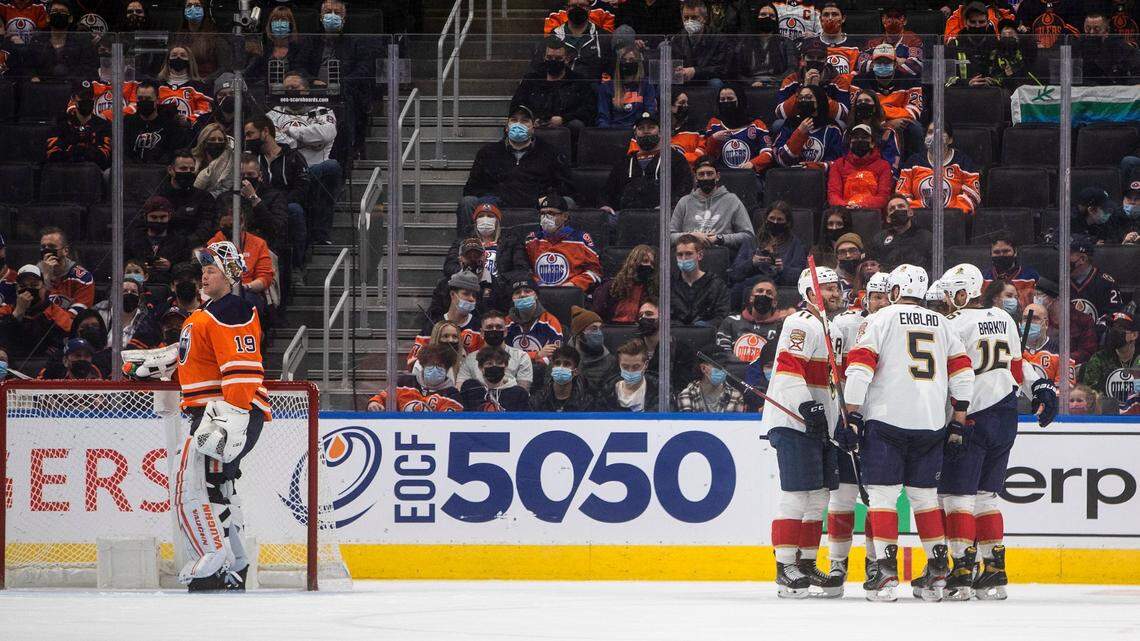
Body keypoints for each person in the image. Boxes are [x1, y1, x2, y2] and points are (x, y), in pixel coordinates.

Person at [843, 264, 975, 602]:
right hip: (931, 422)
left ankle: (886, 572)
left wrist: (853, 414)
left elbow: (859, 367)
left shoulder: (880, 319)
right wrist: (958, 419)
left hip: (887, 420)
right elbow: (963, 375)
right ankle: (938, 570)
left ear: (895, 291)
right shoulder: (944, 324)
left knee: (884, 496)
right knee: (925, 498)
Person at [937, 263, 1056, 600]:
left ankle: (961, 571)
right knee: (986, 497)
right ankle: (993, 570)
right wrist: (1042, 388)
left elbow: (947, 375)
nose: (946, 299)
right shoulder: (1004, 319)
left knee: (956, 496)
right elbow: (1018, 369)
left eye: (950, 292)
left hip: (970, 414)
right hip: (1005, 415)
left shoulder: (953, 324)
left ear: (964, 292)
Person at [167, 240, 269, 590]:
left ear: (228, 275)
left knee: (194, 488)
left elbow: (242, 371)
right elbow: (197, 357)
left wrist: (232, 418)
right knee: (219, 488)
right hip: (216, 413)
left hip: (223, 415)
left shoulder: (232, 309)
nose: (203, 277)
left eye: (211, 270)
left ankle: (213, 562)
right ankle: (236, 564)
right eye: (203, 271)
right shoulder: (209, 313)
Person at [760, 266, 845, 598]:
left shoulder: (831, 328)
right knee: (796, 496)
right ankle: (785, 566)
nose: (837, 292)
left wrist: (836, 420)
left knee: (820, 496)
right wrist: (807, 407)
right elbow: (789, 368)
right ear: (811, 294)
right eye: (830, 288)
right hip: (795, 422)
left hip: (822, 425)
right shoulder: (799, 323)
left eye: (838, 287)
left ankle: (807, 562)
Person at [824, 270, 891, 583]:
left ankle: (874, 561)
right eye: (874, 296)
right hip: (849, 420)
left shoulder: (897, 327)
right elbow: (833, 370)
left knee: (877, 500)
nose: (878, 302)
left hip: (881, 422)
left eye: (884, 296)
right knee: (843, 497)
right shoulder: (846, 324)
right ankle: (837, 562)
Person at [457, 104, 575, 234]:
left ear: (533, 126)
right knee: (468, 202)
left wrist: (546, 198)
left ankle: (562, 247)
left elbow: (565, 187)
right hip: (496, 205)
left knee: (567, 202)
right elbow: (472, 188)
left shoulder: (550, 153)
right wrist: (493, 198)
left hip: (537, 205)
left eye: (524, 121)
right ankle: (469, 248)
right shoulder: (488, 152)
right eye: (514, 120)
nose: (518, 124)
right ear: (507, 127)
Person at [267, 71, 342, 247]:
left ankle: (321, 235)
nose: (290, 91)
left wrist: (293, 133)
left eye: (295, 87)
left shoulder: (323, 110)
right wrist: (308, 139)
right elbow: (276, 140)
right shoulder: (274, 114)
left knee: (332, 166)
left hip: (317, 168)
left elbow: (328, 133)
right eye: (287, 88)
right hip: (289, 172)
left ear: (306, 90)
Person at [244, 115, 310, 284]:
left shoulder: (293, 156)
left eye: (250, 134)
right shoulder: (251, 160)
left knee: (295, 210)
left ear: (265, 132)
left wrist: (279, 202)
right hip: (257, 201)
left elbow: (302, 188)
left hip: (285, 204)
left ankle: (297, 265)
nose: (247, 139)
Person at [504, 192, 603, 294]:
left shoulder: (581, 239)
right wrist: (537, 284)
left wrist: (573, 285)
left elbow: (595, 272)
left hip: (571, 295)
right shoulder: (532, 239)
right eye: (543, 213)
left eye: (551, 213)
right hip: (537, 295)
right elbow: (523, 270)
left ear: (565, 216)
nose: (546, 217)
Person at [511, 37, 597, 152]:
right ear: (544, 58)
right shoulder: (532, 79)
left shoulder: (578, 81)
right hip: (535, 126)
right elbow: (517, 105)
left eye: (558, 58)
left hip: (567, 129)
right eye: (549, 58)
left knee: (577, 125)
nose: (553, 61)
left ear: (566, 59)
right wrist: (531, 119)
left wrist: (564, 119)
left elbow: (589, 109)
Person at [600, 111, 694, 215]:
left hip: (662, 217)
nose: (646, 131)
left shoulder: (674, 158)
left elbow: (685, 187)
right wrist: (606, 205)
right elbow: (608, 190)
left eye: (651, 127)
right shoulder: (624, 161)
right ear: (635, 134)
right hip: (626, 217)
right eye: (641, 128)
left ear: (660, 132)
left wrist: (670, 205)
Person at [854, 43, 925, 160]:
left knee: (915, 127)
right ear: (872, 64)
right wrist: (887, 122)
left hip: (900, 124)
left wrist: (878, 111)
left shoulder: (911, 80)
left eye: (887, 62)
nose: (882, 65)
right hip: (869, 121)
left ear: (895, 64)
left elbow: (914, 110)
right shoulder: (859, 80)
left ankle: (914, 164)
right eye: (878, 62)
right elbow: (858, 109)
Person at [896, 121, 982, 216]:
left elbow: (973, 196)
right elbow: (901, 195)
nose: (934, 136)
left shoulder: (964, 162)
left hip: (954, 219)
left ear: (950, 140)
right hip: (918, 218)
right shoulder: (913, 162)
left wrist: (950, 212)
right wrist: (919, 212)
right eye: (930, 132)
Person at [669, 160, 754, 250]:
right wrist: (692, 236)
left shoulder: (732, 200)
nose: (705, 178)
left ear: (717, 176)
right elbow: (669, 237)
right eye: (701, 174)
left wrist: (719, 238)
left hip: (721, 256)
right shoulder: (684, 202)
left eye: (709, 174)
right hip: (690, 255)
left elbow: (748, 236)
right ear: (695, 178)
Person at [208, 202, 275, 312]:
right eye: (224, 226)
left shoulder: (258, 243)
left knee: (246, 302)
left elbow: (265, 278)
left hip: (249, 290)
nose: (227, 230)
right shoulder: (213, 243)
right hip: (220, 292)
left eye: (231, 226)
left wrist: (246, 287)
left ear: (242, 223)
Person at [408, 271, 482, 368]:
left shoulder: (479, 327)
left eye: (474, 295)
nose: (471, 299)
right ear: (452, 294)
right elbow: (412, 363)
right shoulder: (433, 326)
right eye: (466, 294)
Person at [716, 277, 783, 378]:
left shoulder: (781, 326)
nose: (764, 295)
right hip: (734, 374)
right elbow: (722, 355)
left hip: (766, 377)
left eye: (769, 293)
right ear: (751, 298)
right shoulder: (731, 321)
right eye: (759, 291)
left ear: (774, 303)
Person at [730, 202, 808, 288]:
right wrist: (752, 263)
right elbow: (734, 274)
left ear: (787, 222)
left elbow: (802, 276)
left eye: (780, 219)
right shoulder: (751, 242)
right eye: (772, 218)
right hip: (752, 286)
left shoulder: (795, 244)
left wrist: (783, 269)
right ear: (766, 219)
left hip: (780, 288)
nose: (775, 222)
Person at [367, 344, 464, 412]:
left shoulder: (452, 394)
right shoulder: (404, 382)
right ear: (423, 365)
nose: (435, 369)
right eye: (431, 365)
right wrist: (374, 403)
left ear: (447, 369)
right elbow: (382, 397)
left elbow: (448, 423)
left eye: (440, 365)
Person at [701, 85, 774, 174]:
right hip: (722, 176)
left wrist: (752, 163)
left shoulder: (757, 125)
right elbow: (707, 157)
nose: (726, 102)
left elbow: (768, 154)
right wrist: (713, 139)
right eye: (722, 100)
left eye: (730, 99)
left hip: (749, 176)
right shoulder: (714, 124)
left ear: (740, 100)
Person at [772, 84, 845, 169]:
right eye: (801, 98)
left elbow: (836, 163)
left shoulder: (832, 128)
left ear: (818, 101)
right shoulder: (790, 124)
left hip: (821, 178)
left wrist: (814, 168)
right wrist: (799, 133)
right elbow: (781, 160)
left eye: (808, 97)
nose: (804, 100)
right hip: (792, 176)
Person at [457, 310, 534, 391]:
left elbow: (522, 392)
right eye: (489, 327)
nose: (494, 330)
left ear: (505, 332)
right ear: (482, 333)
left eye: (499, 327)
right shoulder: (470, 359)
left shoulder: (521, 357)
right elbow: (461, 389)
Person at [157, 148, 219, 247]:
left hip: (197, 248)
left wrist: (185, 244)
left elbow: (206, 229)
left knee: (208, 261)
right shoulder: (159, 198)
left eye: (192, 169)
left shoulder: (205, 197)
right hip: (165, 248)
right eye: (183, 169)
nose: (188, 172)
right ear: (170, 170)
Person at [1079, 312, 1140, 412]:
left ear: (1134, 335)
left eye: (1120, 328)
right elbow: (1089, 395)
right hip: (1106, 418)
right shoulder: (1099, 358)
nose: (1113, 332)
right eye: (1112, 327)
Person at [26, 1, 97, 81]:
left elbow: (88, 70)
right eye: (55, 11)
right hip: (43, 88)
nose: (58, 14)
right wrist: (33, 77)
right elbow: (28, 67)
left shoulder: (82, 42)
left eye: (63, 12)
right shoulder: (37, 41)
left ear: (70, 19)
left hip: (72, 89)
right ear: (48, 17)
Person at [828, 123, 893, 211]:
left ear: (872, 143)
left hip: (871, 214)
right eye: (855, 138)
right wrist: (846, 207)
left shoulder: (884, 166)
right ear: (850, 143)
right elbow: (833, 195)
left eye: (864, 138)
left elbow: (883, 197)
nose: (859, 140)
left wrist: (860, 206)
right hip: (845, 212)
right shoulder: (838, 164)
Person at [125, 196, 194, 279]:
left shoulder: (181, 241)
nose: (158, 221)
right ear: (145, 216)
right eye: (154, 217)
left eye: (163, 217)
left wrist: (171, 266)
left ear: (169, 216)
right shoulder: (133, 239)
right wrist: (139, 267)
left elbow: (186, 267)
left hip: (169, 283)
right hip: (138, 284)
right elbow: (124, 262)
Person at [45, 83, 110, 168]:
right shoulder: (61, 123)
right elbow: (53, 154)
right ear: (73, 98)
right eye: (82, 97)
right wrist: (76, 150)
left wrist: (78, 150)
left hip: (93, 173)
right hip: (64, 172)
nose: (86, 100)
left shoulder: (103, 125)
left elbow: (104, 156)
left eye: (89, 96)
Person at [123, 80, 189, 165]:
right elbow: (123, 151)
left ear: (157, 100)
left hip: (160, 170)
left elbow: (173, 152)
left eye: (148, 99)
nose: (144, 101)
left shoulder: (170, 124)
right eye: (140, 98)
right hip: (132, 170)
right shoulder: (128, 122)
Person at [544, 0, 612, 82]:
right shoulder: (554, 36)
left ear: (589, 9)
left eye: (582, 5)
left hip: (594, 89)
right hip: (562, 88)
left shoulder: (604, 37)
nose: (578, 9)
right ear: (567, 9)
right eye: (573, 6)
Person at [733, 2, 798, 87]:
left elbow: (791, 69)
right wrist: (751, 83)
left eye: (772, 16)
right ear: (756, 17)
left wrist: (774, 83)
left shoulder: (785, 43)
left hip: (777, 87)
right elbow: (736, 72)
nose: (768, 18)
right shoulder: (743, 43)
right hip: (749, 88)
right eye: (763, 14)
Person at [671, 234, 730, 327]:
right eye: (680, 254)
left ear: (700, 255)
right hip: (675, 335)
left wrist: (707, 325)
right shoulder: (669, 284)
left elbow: (723, 315)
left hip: (706, 335)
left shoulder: (716, 284)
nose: (683, 258)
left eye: (689, 254)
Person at [235, 154, 289, 255]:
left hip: (264, 248)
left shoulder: (275, 196)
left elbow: (277, 228)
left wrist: (254, 200)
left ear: (260, 176)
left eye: (250, 175)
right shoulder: (229, 197)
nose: (246, 179)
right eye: (242, 175)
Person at [506, 280, 565, 371]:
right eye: (517, 292)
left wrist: (518, 359)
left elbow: (555, 356)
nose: (522, 295)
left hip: (541, 373)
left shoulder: (550, 321)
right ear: (513, 298)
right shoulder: (506, 323)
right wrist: (537, 355)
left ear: (536, 295)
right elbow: (503, 356)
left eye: (527, 291)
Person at [596, 43, 658, 129]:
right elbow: (603, 117)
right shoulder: (607, 87)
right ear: (618, 64)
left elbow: (650, 111)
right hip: (615, 133)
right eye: (624, 61)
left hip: (638, 132)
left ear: (638, 63)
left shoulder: (646, 84)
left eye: (632, 60)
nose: (627, 63)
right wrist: (606, 134)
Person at [670, 0, 729, 88]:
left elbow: (721, 68)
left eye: (694, 17)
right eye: (686, 18)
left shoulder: (718, 38)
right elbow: (672, 66)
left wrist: (695, 71)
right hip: (684, 80)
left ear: (704, 18)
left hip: (707, 79)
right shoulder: (677, 39)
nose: (689, 21)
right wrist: (678, 70)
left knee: (716, 83)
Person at [593, 244, 657, 324]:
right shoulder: (610, 286)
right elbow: (597, 313)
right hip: (611, 329)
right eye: (645, 261)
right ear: (634, 262)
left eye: (652, 264)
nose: (649, 266)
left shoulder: (651, 290)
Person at [36, 227, 92, 319]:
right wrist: (46, 279)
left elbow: (75, 318)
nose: (46, 251)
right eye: (43, 247)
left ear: (65, 250)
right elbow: (32, 311)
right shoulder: (34, 274)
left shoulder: (83, 278)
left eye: (52, 247)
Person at [868, 195, 933, 272]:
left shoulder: (926, 237)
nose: (896, 210)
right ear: (888, 219)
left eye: (901, 206)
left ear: (910, 212)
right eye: (892, 209)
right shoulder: (879, 239)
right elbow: (872, 265)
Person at [91, 276, 158, 352]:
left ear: (140, 299)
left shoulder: (147, 321)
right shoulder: (99, 312)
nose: (129, 294)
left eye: (134, 292)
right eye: (124, 291)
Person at [858, 4, 923, 78]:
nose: (893, 20)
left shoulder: (913, 39)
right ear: (883, 20)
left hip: (903, 83)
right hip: (877, 84)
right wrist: (899, 61)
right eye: (889, 17)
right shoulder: (873, 42)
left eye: (897, 17)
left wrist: (879, 63)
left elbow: (915, 66)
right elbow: (862, 65)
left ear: (904, 21)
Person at [1069, 234, 1122, 326]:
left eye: (1068, 253)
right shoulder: (1057, 281)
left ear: (1082, 259)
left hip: (1096, 338)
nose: (1061, 258)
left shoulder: (1106, 283)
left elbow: (1116, 315)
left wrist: (1101, 328)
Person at [171, 0, 231, 81]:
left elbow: (224, 68)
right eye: (189, 5)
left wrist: (204, 81)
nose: (192, 8)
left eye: (197, 5)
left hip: (208, 85)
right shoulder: (177, 37)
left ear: (204, 10)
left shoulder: (215, 39)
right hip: (183, 84)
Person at [460, 346, 531, 412]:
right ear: (480, 367)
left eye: (499, 363)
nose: (494, 367)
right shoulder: (472, 390)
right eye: (489, 364)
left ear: (505, 366)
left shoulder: (518, 393)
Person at [847, 91, 902, 175]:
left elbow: (892, 164)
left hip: (879, 178)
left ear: (875, 107)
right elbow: (843, 161)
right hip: (850, 177)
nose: (863, 104)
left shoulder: (887, 133)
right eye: (859, 101)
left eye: (867, 101)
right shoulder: (847, 133)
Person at [675, 347, 746, 412]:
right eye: (718, 366)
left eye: (724, 366)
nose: (723, 370)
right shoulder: (687, 395)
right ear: (703, 368)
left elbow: (738, 426)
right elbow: (688, 424)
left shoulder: (735, 396)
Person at [1021, 302, 1075, 388]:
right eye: (1025, 318)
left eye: (1034, 318)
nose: (1028, 323)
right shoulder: (1011, 348)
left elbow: (1064, 390)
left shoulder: (1061, 351)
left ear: (1046, 324)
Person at [529, 345, 598, 411]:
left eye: (567, 364)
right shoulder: (538, 400)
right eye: (557, 363)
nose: (561, 367)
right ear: (552, 367)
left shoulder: (586, 402)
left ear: (576, 372)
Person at [1079, 11, 1140, 85]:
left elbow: (1137, 71)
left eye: (1097, 29)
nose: (1091, 33)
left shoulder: (1120, 46)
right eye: (1088, 28)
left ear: (1107, 31)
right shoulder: (1078, 45)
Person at [981, 232, 1039, 309]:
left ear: (1015, 252)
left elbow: (1037, 307)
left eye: (1006, 251)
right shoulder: (982, 278)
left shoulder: (1031, 277)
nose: (1001, 255)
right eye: (996, 252)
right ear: (991, 254)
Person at [602, 338, 660, 412]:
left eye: (636, 367)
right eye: (625, 367)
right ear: (619, 364)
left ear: (646, 365)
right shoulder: (607, 391)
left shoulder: (658, 390)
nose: (630, 371)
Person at [566, 304, 616, 391]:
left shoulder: (610, 361)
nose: (599, 333)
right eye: (594, 328)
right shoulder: (562, 358)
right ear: (579, 335)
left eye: (600, 328)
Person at [614, 0, 683, 42]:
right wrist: (633, 41)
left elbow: (676, 32)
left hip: (661, 48)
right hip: (633, 50)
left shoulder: (672, 4)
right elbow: (620, 30)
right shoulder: (627, 5)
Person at [38, 336, 103, 379]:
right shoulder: (51, 373)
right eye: (77, 355)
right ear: (65, 361)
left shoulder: (96, 373)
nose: (82, 359)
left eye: (87, 356)